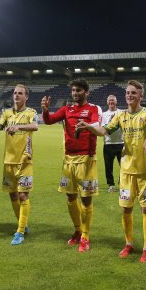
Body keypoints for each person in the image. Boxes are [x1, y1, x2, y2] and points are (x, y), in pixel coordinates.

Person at [79, 81, 146, 262]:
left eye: (134, 93)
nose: (130, 95)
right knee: (126, 210)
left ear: (140, 96)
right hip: (127, 170)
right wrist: (90, 126)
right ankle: (129, 244)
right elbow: (103, 130)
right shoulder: (120, 116)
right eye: (128, 93)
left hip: (145, 170)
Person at [42, 79, 100, 252]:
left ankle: (86, 236)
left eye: (79, 90)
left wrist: (87, 126)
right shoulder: (67, 109)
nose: (75, 93)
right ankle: (77, 230)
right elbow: (49, 121)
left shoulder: (93, 109)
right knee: (70, 197)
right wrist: (45, 111)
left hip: (86, 159)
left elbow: (97, 124)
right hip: (69, 159)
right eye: (73, 90)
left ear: (87, 92)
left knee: (86, 199)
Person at [0, 84, 39, 245]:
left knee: (23, 195)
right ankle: (22, 224)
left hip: (24, 161)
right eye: (15, 93)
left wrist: (18, 126)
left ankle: (20, 232)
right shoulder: (6, 113)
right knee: (13, 195)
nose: (16, 95)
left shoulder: (31, 112)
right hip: (8, 161)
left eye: (20, 93)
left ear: (26, 96)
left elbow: (35, 126)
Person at [101, 95, 124, 192]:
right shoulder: (103, 114)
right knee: (108, 166)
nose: (111, 102)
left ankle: (122, 183)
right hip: (108, 143)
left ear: (116, 102)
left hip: (121, 143)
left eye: (113, 101)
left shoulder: (121, 113)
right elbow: (103, 127)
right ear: (107, 102)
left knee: (124, 166)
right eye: (109, 101)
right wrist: (111, 122)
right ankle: (111, 184)